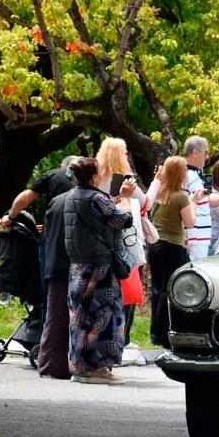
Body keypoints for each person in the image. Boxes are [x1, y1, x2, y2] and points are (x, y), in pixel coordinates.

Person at [63, 158, 137, 384]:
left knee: (80, 317)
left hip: (78, 266)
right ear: (94, 176)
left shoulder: (71, 196)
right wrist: (125, 199)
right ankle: (98, 368)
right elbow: (123, 220)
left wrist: (114, 199)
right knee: (104, 315)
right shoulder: (97, 198)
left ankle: (80, 366)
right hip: (99, 269)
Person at [95, 137, 148, 353]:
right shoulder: (125, 180)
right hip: (125, 240)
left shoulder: (96, 179)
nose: (127, 156)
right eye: (125, 153)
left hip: (100, 241)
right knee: (127, 288)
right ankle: (122, 337)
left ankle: (110, 336)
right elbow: (145, 202)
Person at [147, 156, 200, 348]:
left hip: (155, 244)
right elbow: (190, 223)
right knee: (173, 289)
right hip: (172, 245)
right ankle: (169, 330)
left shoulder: (159, 192)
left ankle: (156, 331)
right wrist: (194, 202)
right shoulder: (181, 196)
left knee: (157, 289)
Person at [35, 158, 80, 379]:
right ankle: (70, 365)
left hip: (54, 262)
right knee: (76, 316)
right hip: (74, 263)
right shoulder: (84, 200)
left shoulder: (57, 201)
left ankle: (50, 366)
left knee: (54, 317)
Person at [182, 136, 219, 262]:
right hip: (194, 235)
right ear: (195, 153)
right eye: (205, 153)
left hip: (201, 234)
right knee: (195, 269)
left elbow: (208, 201)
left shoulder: (195, 174)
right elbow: (182, 204)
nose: (207, 157)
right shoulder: (186, 175)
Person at [0, 155, 76, 228]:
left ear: (62, 166)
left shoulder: (53, 174)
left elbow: (26, 197)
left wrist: (10, 217)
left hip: (57, 227)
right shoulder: (83, 178)